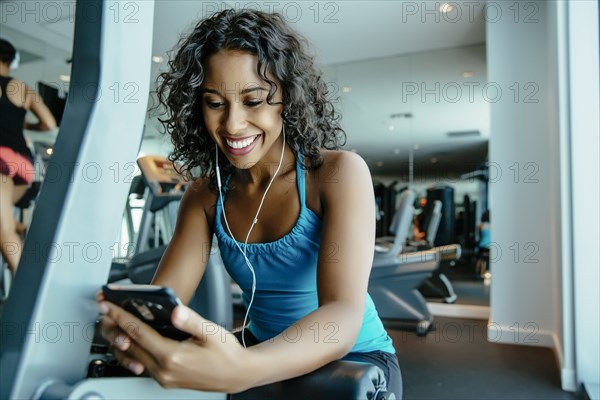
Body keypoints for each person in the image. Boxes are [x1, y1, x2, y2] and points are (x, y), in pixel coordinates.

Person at [97, 9, 402, 397]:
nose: (233, 125)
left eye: (254, 100)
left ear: (286, 99)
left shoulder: (337, 174)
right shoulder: (205, 195)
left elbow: (340, 317)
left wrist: (245, 369)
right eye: (215, 103)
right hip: (259, 354)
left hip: (355, 359)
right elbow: (164, 302)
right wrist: (131, 327)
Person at [0, 38, 57, 275]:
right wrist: (25, 125)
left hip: (1, 162)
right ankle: (19, 226)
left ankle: (26, 293)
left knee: (3, 231)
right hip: (23, 165)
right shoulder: (23, 89)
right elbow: (49, 123)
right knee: (5, 222)